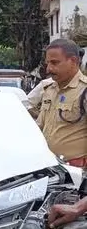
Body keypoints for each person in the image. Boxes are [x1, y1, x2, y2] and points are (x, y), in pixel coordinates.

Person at [36, 38, 87, 169]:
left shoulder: (84, 90)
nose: (49, 69)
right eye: (48, 63)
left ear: (73, 61)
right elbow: (40, 126)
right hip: (50, 168)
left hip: (76, 171)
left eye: (54, 63)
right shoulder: (50, 90)